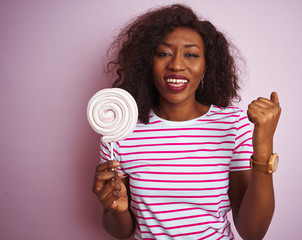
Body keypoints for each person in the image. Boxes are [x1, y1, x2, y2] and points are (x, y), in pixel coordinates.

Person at [92, 4, 281, 240]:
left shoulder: (232, 125)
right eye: (163, 53)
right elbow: (121, 231)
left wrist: (264, 146)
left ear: (205, 67)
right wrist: (116, 209)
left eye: (191, 54)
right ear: (147, 63)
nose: (177, 65)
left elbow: (253, 233)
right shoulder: (121, 130)